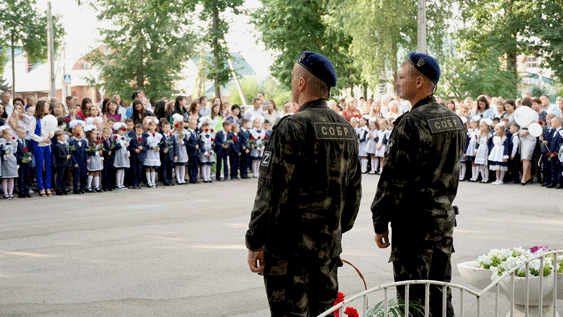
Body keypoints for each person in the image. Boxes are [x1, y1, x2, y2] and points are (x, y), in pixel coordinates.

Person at [245, 51, 361, 316]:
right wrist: (334, 232)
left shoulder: (291, 127)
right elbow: (354, 193)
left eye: (293, 77)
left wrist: (255, 240)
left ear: (301, 83)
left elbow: (271, 193)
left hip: (290, 256)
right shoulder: (347, 130)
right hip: (327, 252)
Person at [371, 52, 465, 317]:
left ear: (420, 82)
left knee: (413, 301)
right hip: (443, 223)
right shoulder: (454, 121)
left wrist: (380, 219)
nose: (397, 81)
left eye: (402, 77)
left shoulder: (411, 123)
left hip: (414, 228)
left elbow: (393, 179)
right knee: (439, 294)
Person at [29, 100, 54, 197]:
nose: (48, 107)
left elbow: (52, 129)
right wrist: (42, 139)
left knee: (48, 167)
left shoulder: (48, 119)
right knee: (39, 167)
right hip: (39, 146)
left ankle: (48, 187)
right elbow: (32, 134)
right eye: (46, 106)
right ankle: (41, 188)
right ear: (41, 107)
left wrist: (52, 133)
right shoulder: (34, 120)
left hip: (48, 146)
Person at [519, 97, 537, 185]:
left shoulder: (533, 113)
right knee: (525, 158)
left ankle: (523, 177)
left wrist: (526, 132)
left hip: (529, 135)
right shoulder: (520, 112)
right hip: (521, 133)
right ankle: (528, 176)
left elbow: (535, 125)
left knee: (526, 157)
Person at [53, 130, 74, 195]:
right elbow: (58, 156)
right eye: (62, 136)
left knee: (65, 177)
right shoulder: (57, 145)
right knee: (60, 177)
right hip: (61, 164)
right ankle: (58, 189)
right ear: (58, 137)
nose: (64, 137)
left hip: (65, 163)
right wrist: (65, 157)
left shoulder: (64, 144)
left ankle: (64, 188)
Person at [69, 121, 88, 194]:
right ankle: (76, 188)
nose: (83, 134)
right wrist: (74, 162)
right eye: (82, 132)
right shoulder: (72, 142)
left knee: (83, 175)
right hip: (77, 162)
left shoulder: (84, 142)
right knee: (76, 175)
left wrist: (87, 158)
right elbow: (72, 154)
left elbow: (86, 151)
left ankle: (82, 188)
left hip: (83, 161)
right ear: (77, 134)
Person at [143, 118, 162, 188]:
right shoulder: (146, 134)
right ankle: (149, 181)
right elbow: (145, 144)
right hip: (149, 152)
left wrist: (158, 148)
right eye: (150, 126)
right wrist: (151, 147)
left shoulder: (158, 135)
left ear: (156, 126)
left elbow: (160, 143)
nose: (151, 127)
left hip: (155, 153)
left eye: (153, 126)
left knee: (153, 167)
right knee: (148, 167)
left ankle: (153, 181)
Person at [0, 127, 18, 199]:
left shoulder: (13, 142)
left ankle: (11, 193)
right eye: (9, 135)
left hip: (11, 160)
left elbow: (14, 151)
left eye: (11, 135)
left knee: (11, 178)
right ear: (4, 135)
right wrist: (4, 155)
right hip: (5, 161)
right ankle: (5, 193)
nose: (11, 136)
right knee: (5, 178)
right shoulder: (1, 142)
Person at [128, 124, 147, 189]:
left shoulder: (144, 139)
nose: (138, 132)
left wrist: (142, 148)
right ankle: (134, 183)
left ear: (142, 131)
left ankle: (139, 183)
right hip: (134, 157)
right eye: (136, 130)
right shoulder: (132, 138)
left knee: (140, 170)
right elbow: (130, 147)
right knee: (134, 170)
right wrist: (134, 150)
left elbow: (146, 147)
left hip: (141, 157)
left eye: (139, 130)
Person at [474, 119, 493, 183]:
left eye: (482, 126)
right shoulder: (479, 134)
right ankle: (483, 178)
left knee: (485, 165)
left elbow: (490, 145)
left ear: (487, 127)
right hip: (480, 150)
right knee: (480, 165)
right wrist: (475, 150)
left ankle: (486, 178)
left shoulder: (489, 135)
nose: (480, 128)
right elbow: (477, 143)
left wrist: (489, 154)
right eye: (480, 126)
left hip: (485, 151)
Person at [85, 126, 103, 192]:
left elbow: (101, 150)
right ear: (90, 134)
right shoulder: (88, 142)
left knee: (97, 172)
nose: (95, 135)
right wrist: (97, 153)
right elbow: (88, 151)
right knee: (92, 172)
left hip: (97, 159)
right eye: (94, 134)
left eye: (96, 134)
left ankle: (97, 186)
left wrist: (101, 158)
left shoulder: (98, 141)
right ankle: (89, 186)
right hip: (92, 158)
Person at [112, 122, 130, 190]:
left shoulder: (125, 137)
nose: (124, 132)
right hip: (119, 154)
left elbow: (127, 147)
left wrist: (128, 151)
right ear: (118, 130)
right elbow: (116, 146)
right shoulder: (116, 137)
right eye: (122, 130)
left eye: (125, 130)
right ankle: (118, 184)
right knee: (119, 169)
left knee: (123, 169)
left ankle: (122, 183)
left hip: (124, 154)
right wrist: (123, 144)